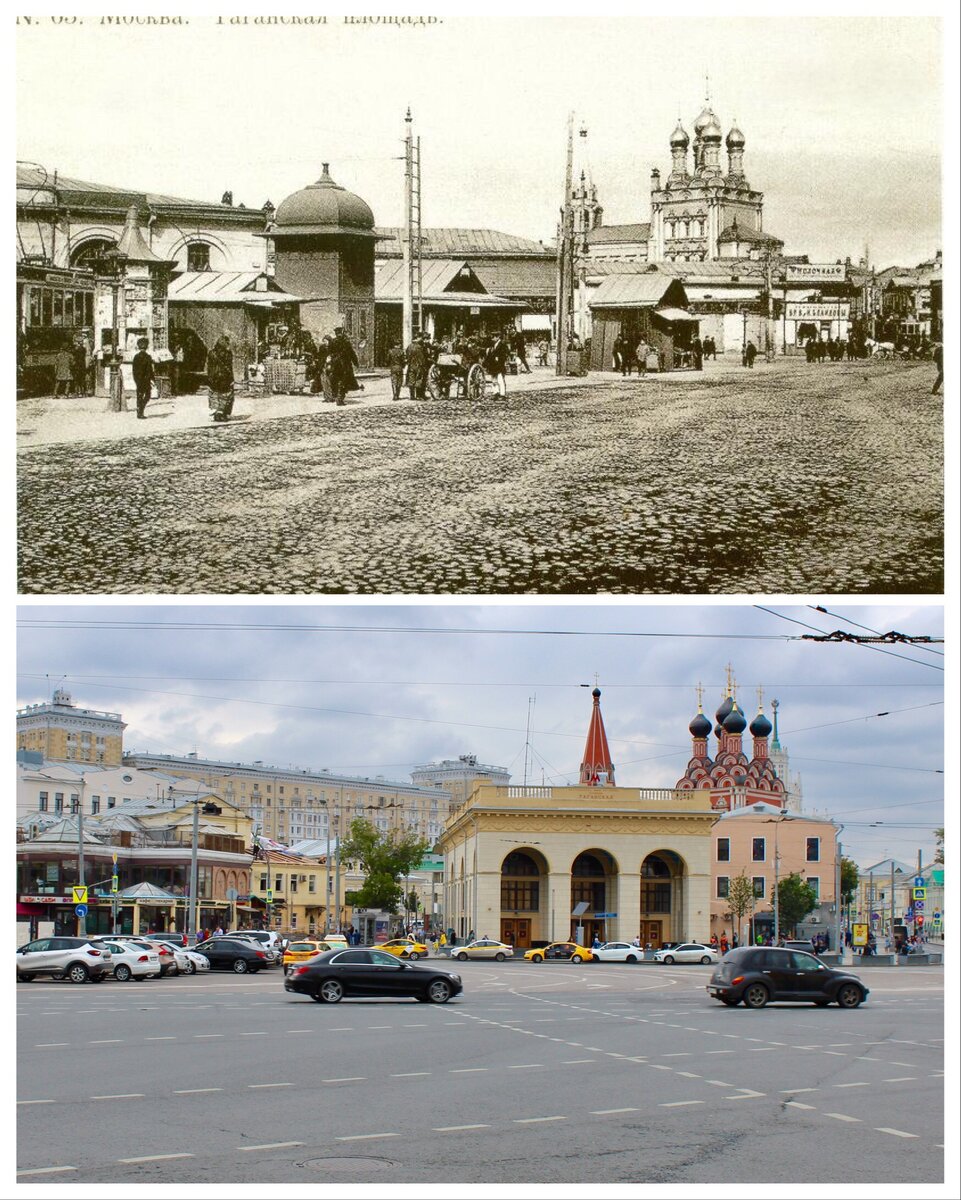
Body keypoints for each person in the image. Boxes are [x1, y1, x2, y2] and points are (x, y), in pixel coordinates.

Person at [207, 331, 235, 422]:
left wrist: (209, 377)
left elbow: (209, 366)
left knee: (215, 394)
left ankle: (217, 412)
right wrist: (232, 378)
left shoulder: (211, 353)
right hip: (224, 377)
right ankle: (222, 413)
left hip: (214, 377)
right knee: (226, 395)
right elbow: (229, 367)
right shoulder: (228, 354)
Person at [327, 326, 360, 406]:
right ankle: (340, 398)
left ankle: (336, 395)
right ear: (341, 332)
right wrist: (356, 363)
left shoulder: (333, 341)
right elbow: (352, 353)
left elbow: (329, 352)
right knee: (344, 380)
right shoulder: (346, 342)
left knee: (335, 379)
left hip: (335, 364)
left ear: (336, 333)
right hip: (344, 364)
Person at [131, 337, 155, 419]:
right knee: (147, 395)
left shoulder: (136, 357)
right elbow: (150, 370)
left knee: (140, 396)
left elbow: (134, 370)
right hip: (145, 379)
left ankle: (139, 411)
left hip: (139, 380)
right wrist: (152, 379)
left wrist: (136, 379)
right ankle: (140, 411)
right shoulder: (148, 357)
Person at [405, 333, 430, 401]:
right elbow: (422, 358)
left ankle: (412, 396)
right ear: (418, 338)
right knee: (419, 380)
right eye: (421, 338)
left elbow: (407, 356)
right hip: (419, 366)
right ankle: (419, 395)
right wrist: (424, 366)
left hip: (411, 366)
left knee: (411, 380)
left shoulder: (409, 346)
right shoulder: (419, 347)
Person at [486, 332, 510, 398]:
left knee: (500, 380)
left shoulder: (502, 344)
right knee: (494, 380)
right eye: (492, 337)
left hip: (499, 364)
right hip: (493, 364)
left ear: (498, 337)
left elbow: (506, 352)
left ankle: (502, 394)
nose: (492, 339)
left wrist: (500, 358)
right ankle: (496, 392)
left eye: (494, 337)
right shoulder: (493, 344)